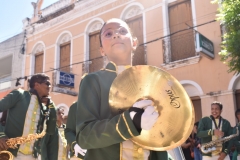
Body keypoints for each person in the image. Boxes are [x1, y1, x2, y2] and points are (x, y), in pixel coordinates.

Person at [76, 18, 169, 160]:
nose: (116, 35)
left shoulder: (151, 81)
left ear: (134, 43)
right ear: (102, 50)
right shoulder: (92, 80)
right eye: (108, 34)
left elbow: (161, 136)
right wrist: (130, 122)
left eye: (123, 31)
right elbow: (84, 135)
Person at [0, 73, 56, 159]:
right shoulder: (19, 95)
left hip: (33, 156)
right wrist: (1, 135)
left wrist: (51, 105)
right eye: (47, 83)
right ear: (36, 84)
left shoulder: (44, 107)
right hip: (11, 153)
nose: (49, 87)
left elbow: (51, 131)